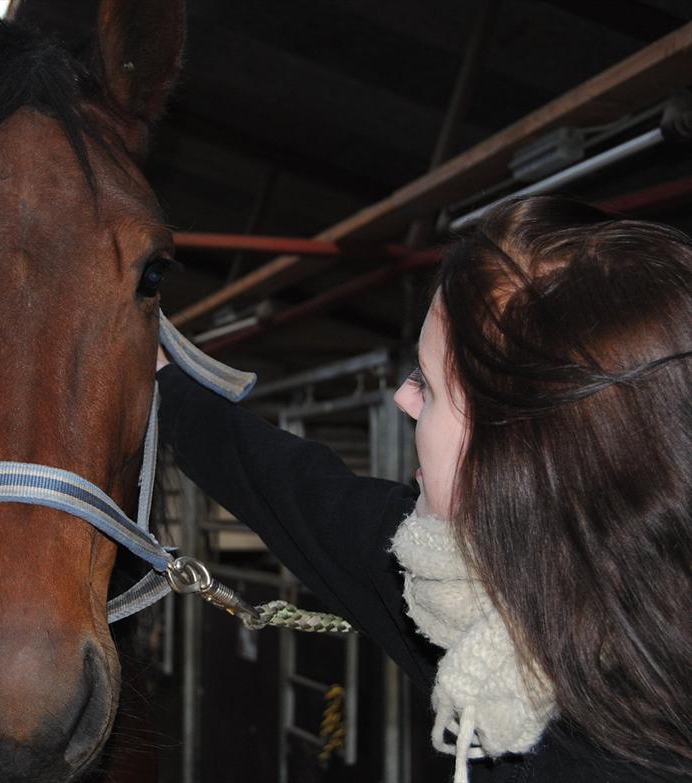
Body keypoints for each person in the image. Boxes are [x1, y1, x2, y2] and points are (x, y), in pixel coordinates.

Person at [156, 196, 692, 782]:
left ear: (517, 456)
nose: (403, 400)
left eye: (430, 387)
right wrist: (162, 379)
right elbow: (297, 490)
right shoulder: (453, 585)